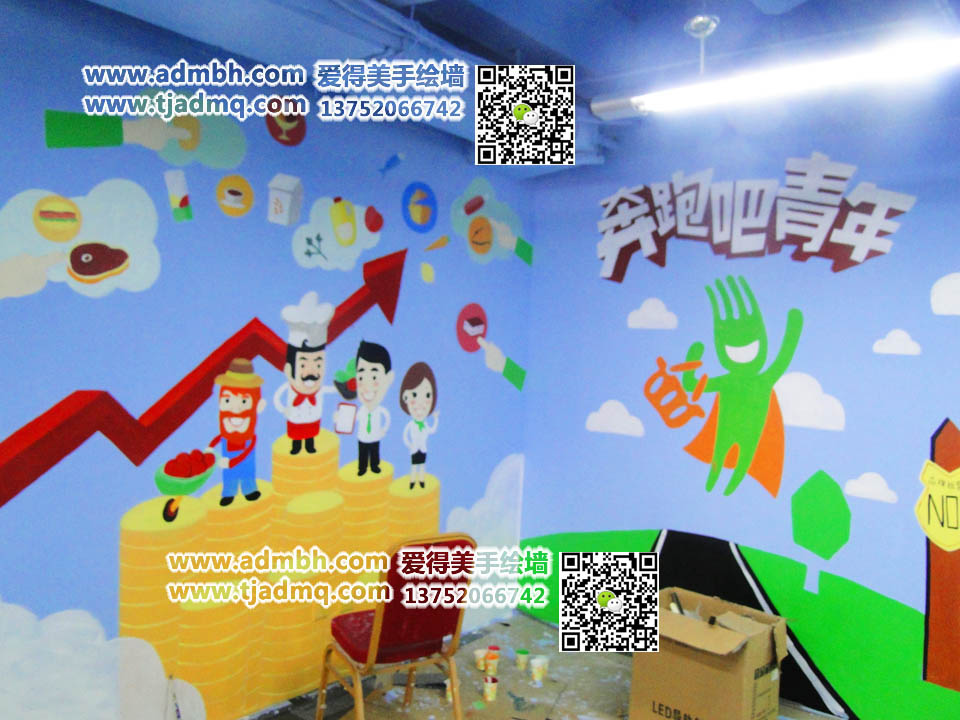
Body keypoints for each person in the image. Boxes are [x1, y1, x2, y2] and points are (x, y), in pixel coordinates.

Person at [273, 291, 336, 454]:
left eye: (318, 364)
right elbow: (278, 398)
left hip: (313, 418)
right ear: (289, 369)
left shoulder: (319, 390)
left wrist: (344, 387)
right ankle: (296, 446)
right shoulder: (290, 389)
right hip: (294, 418)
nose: (311, 371)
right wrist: (284, 409)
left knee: (311, 432)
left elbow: (332, 390)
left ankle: (309, 445)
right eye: (303, 364)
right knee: (296, 434)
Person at [208, 358, 266, 506]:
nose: (236, 409)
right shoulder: (226, 432)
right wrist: (211, 447)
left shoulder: (250, 438)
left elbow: (247, 452)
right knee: (229, 475)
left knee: (247, 470)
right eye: (228, 401)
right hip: (227, 445)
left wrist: (231, 462)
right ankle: (229, 492)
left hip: (243, 449)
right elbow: (220, 437)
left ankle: (249, 490)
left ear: (258, 406)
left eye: (244, 402)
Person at [352, 341, 394, 476]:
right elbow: (353, 419)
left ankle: (375, 465)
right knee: (363, 452)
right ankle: (362, 468)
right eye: (361, 377)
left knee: (374, 452)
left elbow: (386, 418)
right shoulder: (361, 410)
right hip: (362, 437)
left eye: (374, 377)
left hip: (375, 436)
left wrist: (383, 430)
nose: (367, 385)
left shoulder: (380, 410)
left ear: (388, 378)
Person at [399, 362, 439, 489]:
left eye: (427, 395)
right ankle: (412, 481)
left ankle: (421, 481)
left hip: (423, 448)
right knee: (414, 465)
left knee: (422, 465)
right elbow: (405, 435)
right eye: (414, 395)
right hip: (414, 448)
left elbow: (432, 430)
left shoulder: (425, 424)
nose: (421, 403)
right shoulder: (412, 424)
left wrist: (436, 419)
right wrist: (409, 444)